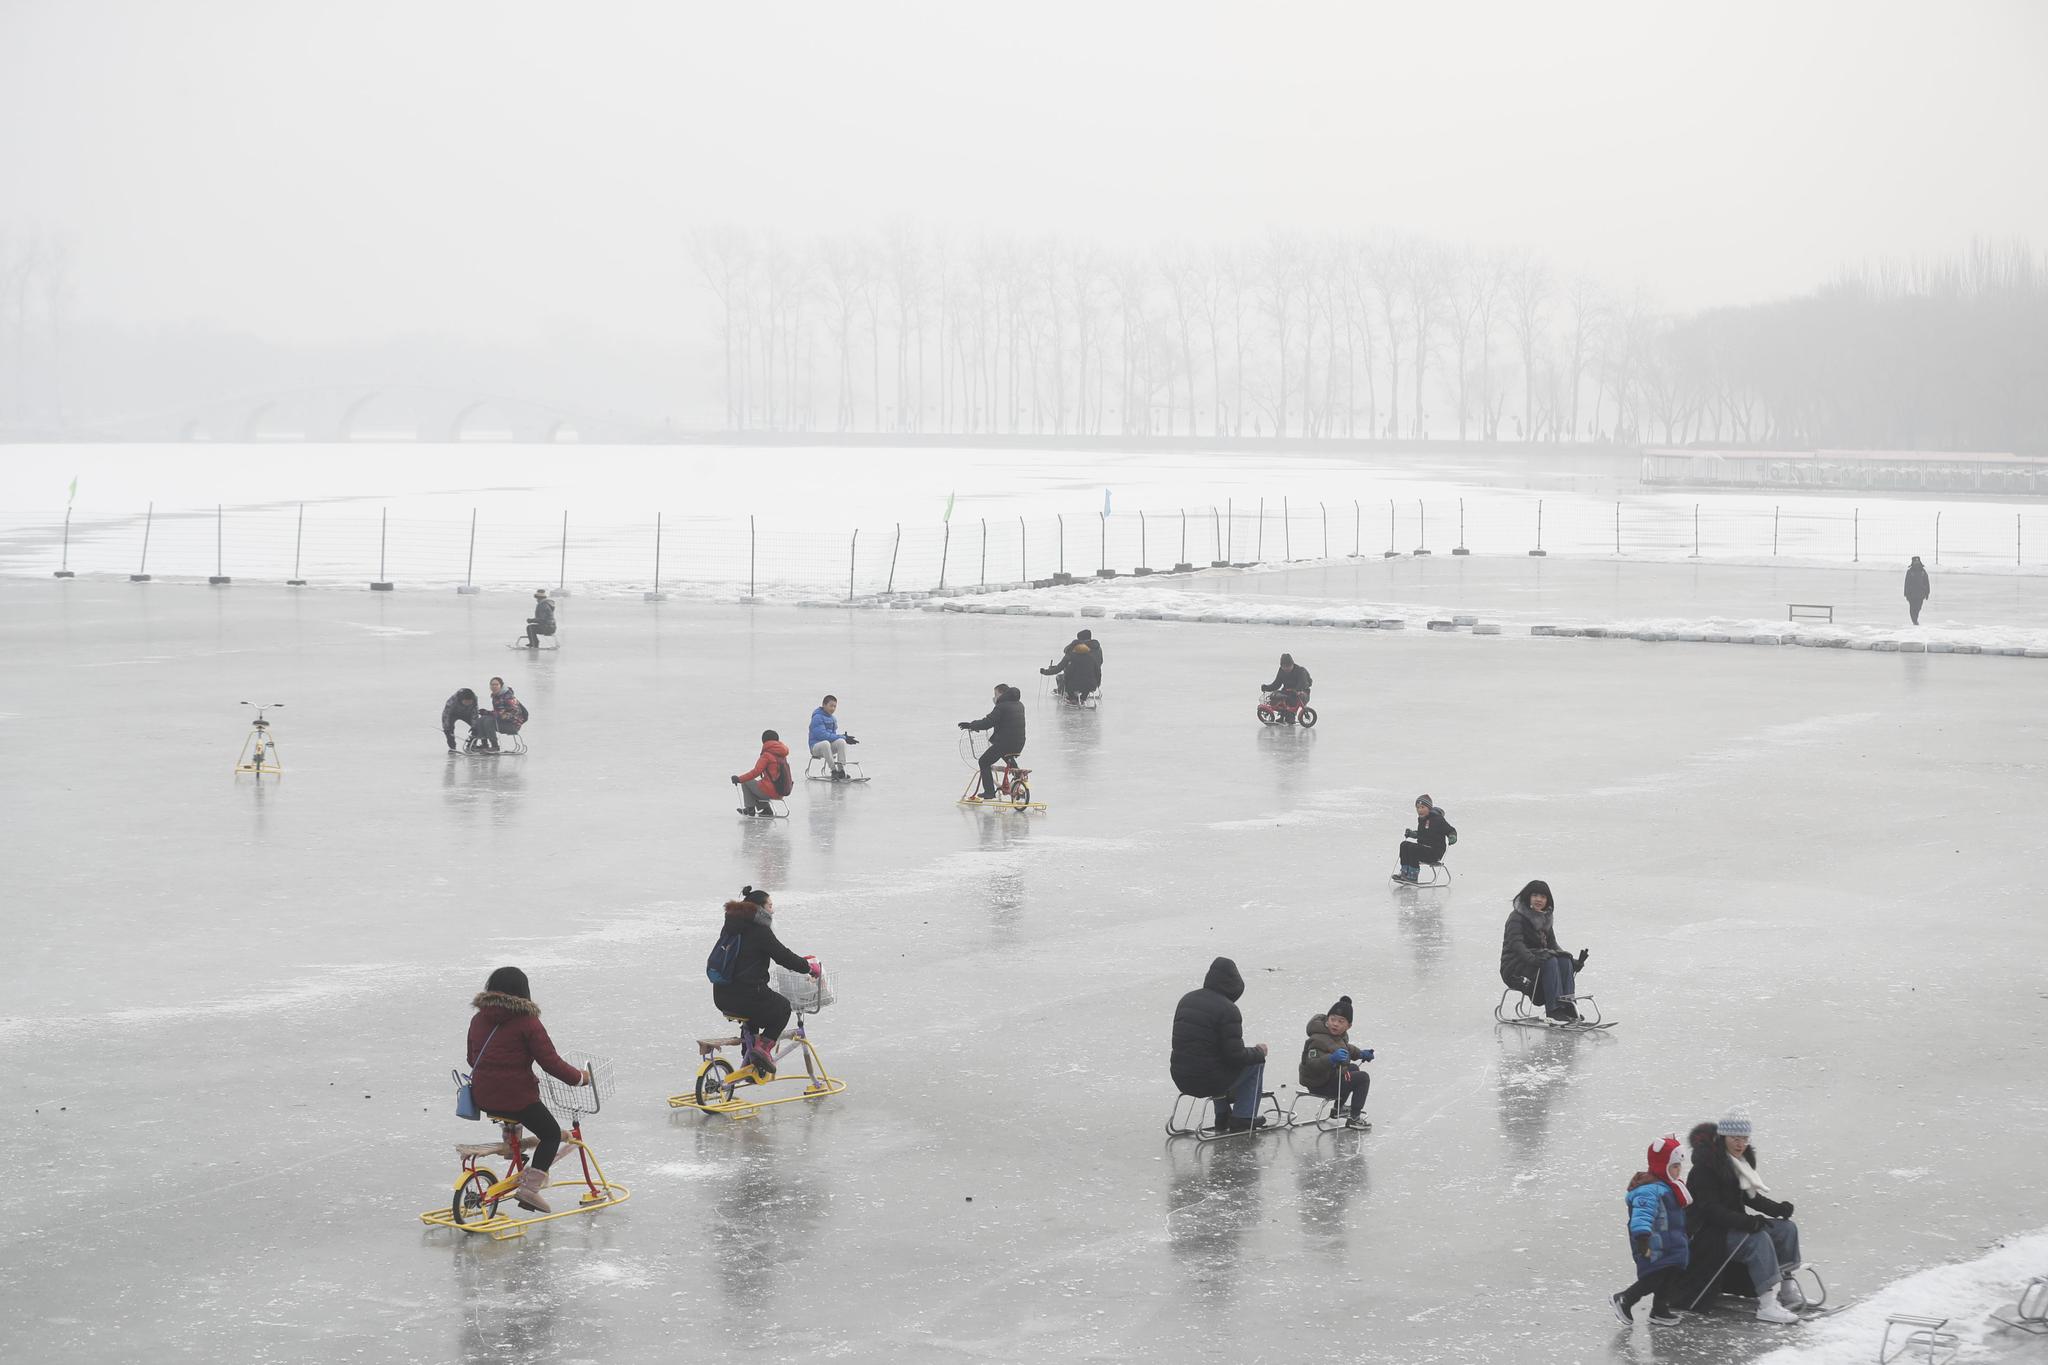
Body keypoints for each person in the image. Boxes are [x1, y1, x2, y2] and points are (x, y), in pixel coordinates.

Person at [465, 966, 590, 1214]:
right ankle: (530, 1189)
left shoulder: (478, 1018)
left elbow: (471, 1058)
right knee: (551, 1134)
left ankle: (511, 1143)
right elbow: (550, 1062)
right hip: (517, 1098)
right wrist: (579, 1078)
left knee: (514, 1111)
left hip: (484, 1096)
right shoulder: (527, 1022)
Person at [1686, 1111, 1804, 1323]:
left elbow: (1750, 1197)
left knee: (1786, 1229)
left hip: (1731, 1226)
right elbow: (1710, 1210)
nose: (1741, 1144)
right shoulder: (1704, 1169)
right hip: (1709, 1235)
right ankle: (1767, 1305)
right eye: (1735, 1139)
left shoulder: (1736, 1163)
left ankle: (1786, 1288)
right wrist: (1747, 1222)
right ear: (1723, 1138)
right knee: (1757, 1239)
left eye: (1745, 1139)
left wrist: (1778, 1209)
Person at [706, 886, 821, 1074]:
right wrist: (808, 967)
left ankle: (751, 1062)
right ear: (759, 908)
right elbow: (783, 955)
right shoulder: (759, 930)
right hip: (746, 995)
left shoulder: (731, 927)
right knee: (782, 1007)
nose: (772, 910)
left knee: (756, 1014)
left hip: (721, 996)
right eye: (770, 905)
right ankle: (763, 1049)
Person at [1170, 956, 1270, 1133]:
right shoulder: (1228, 1009)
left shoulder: (1186, 999)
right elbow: (1235, 1056)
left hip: (1181, 1076)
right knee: (1256, 1062)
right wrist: (1258, 1051)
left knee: (1211, 1061)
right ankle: (1244, 1117)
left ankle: (1222, 1115)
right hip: (1207, 1080)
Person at [1611, 1136, 1692, 1325]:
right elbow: (1642, 1215)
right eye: (1673, 1166)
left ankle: (1660, 1309)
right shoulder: (1649, 1190)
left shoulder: (1671, 1187)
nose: (1677, 1170)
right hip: (1654, 1243)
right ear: (1661, 1166)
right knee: (1655, 1277)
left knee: (1671, 1275)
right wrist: (1642, 1237)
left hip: (1671, 1242)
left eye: (1679, 1166)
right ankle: (1625, 1299)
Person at [1499, 879, 1589, 1022]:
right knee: (1550, 960)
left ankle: (1567, 1006)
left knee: (1563, 960)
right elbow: (1516, 945)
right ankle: (1554, 1010)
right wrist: (1532, 959)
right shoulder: (1517, 917)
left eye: (1543, 897)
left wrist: (1573, 962)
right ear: (1528, 896)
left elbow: (1552, 945)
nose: (1538, 899)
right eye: (1535, 895)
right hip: (1515, 966)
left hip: (1538, 961)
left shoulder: (1545, 918)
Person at [1297, 994, 1373, 1129]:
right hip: (1319, 1082)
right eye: (1333, 1019)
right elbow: (1311, 1064)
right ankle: (1354, 1118)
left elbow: (1346, 1048)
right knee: (1363, 1078)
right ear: (1327, 1020)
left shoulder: (1337, 1036)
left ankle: (1338, 1108)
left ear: (1348, 1026)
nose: (1335, 1024)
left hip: (1328, 1078)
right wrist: (1331, 1059)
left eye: (1341, 1021)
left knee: (1353, 1068)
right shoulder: (1317, 1038)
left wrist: (1361, 1053)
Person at [958, 683, 1026, 801]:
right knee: (1008, 757)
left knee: (984, 761)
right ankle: (1018, 778)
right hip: (1019, 742)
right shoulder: (1019, 704)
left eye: (995, 694)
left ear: (1001, 694)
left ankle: (989, 792)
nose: (994, 697)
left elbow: (988, 722)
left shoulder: (1001, 706)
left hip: (1004, 743)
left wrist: (971, 725)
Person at [730, 730, 793, 816]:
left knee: (746, 782)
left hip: (771, 791)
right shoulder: (782, 755)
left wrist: (739, 779)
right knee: (758, 785)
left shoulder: (767, 755)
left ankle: (750, 809)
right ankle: (766, 809)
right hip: (782, 790)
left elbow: (755, 772)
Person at [1396, 794, 1457, 882]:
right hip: (1424, 849)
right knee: (1404, 845)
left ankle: (1413, 875)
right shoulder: (1422, 820)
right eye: (1418, 807)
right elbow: (1422, 833)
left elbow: (1451, 830)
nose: (1419, 810)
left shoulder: (1438, 819)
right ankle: (1404, 872)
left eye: (1422, 807)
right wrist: (1412, 834)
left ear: (1429, 808)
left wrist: (1452, 837)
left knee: (1413, 848)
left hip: (1434, 852)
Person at [1039, 629, 1104, 701]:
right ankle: (1083, 697)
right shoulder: (1096, 651)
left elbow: (1062, 669)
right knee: (1082, 677)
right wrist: (1097, 682)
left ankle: (1068, 695)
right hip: (1092, 681)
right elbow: (1099, 667)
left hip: (1075, 682)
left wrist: (1046, 671)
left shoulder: (1072, 653)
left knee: (1061, 678)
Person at [808, 695, 859, 779]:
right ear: (824, 705)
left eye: (835, 706)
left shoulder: (833, 719)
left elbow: (833, 736)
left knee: (841, 742)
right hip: (816, 747)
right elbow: (822, 735)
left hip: (828, 747)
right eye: (831, 706)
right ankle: (833, 770)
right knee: (825, 743)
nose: (833, 708)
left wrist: (843, 738)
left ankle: (840, 770)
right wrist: (843, 737)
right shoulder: (817, 717)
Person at [441, 687, 496, 752]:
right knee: (449, 730)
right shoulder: (453, 700)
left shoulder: (475, 699)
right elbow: (446, 714)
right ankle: (452, 747)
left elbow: (474, 712)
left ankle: (482, 745)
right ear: (461, 699)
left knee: (478, 726)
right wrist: (446, 728)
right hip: (453, 714)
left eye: (470, 702)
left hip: (467, 713)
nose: (468, 703)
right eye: (466, 702)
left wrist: (474, 726)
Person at [1261, 653, 1313, 718]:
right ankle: (1283, 715)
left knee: (1291, 698)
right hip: (1288, 691)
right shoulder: (1281, 671)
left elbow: (1303, 683)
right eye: (1284, 667)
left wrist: (1297, 690)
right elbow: (1277, 684)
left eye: (1288, 666)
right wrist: (1267, 688)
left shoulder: (1300, 670)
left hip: (1302, 693)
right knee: (1276, 696)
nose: (1286, 668)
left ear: (1292, 664)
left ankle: (1291, 715)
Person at [488, 677, 528, 744]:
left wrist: (492, 714)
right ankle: (484, 744)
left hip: (513, 725)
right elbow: (499, 713)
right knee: (483, 719)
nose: (494, 686)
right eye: (492, 685)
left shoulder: (508, 697)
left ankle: (495, 746)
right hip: (503, 722)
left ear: (501, 686)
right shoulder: (496, 696)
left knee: (487, 722)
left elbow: (512, 713)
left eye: (496, 684)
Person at [1904, 556, 1930, 625]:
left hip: (1921, 594)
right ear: (1913, 562)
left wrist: (1927, 592)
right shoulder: (1910, 572)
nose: (1916, 563)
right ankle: (1914, 620)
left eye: (1917, 561)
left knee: (1918, 607)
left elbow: (1926, 582)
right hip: (1911, 594)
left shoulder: (1923, 571)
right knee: (1912, 608)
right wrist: (1906, 594)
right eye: (1915, 561)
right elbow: (1907, 583)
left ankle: (1915, 619)